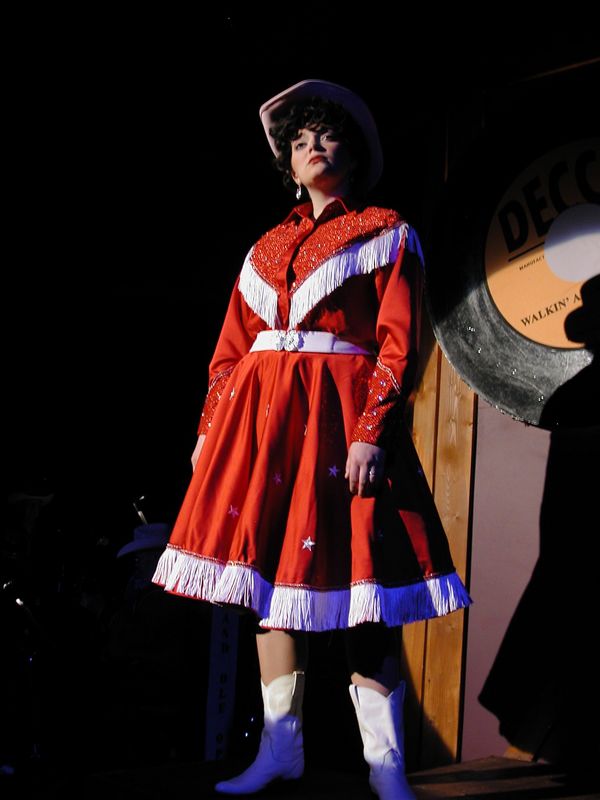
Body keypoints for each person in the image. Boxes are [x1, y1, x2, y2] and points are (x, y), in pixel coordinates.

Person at [152, 79, 471, 799]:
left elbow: (399, 342)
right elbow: (229, 352)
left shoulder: (384, 230)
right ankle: (279, 750)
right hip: (264, 431)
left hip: (341, 421)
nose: (313, 147)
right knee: (268, 584)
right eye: (299, 142)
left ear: (354, 154)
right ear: (288, 165)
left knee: (363, 589)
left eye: (326, 136)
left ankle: (386, 768)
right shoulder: (265, 248)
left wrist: (371, 434)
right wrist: (210, 432)